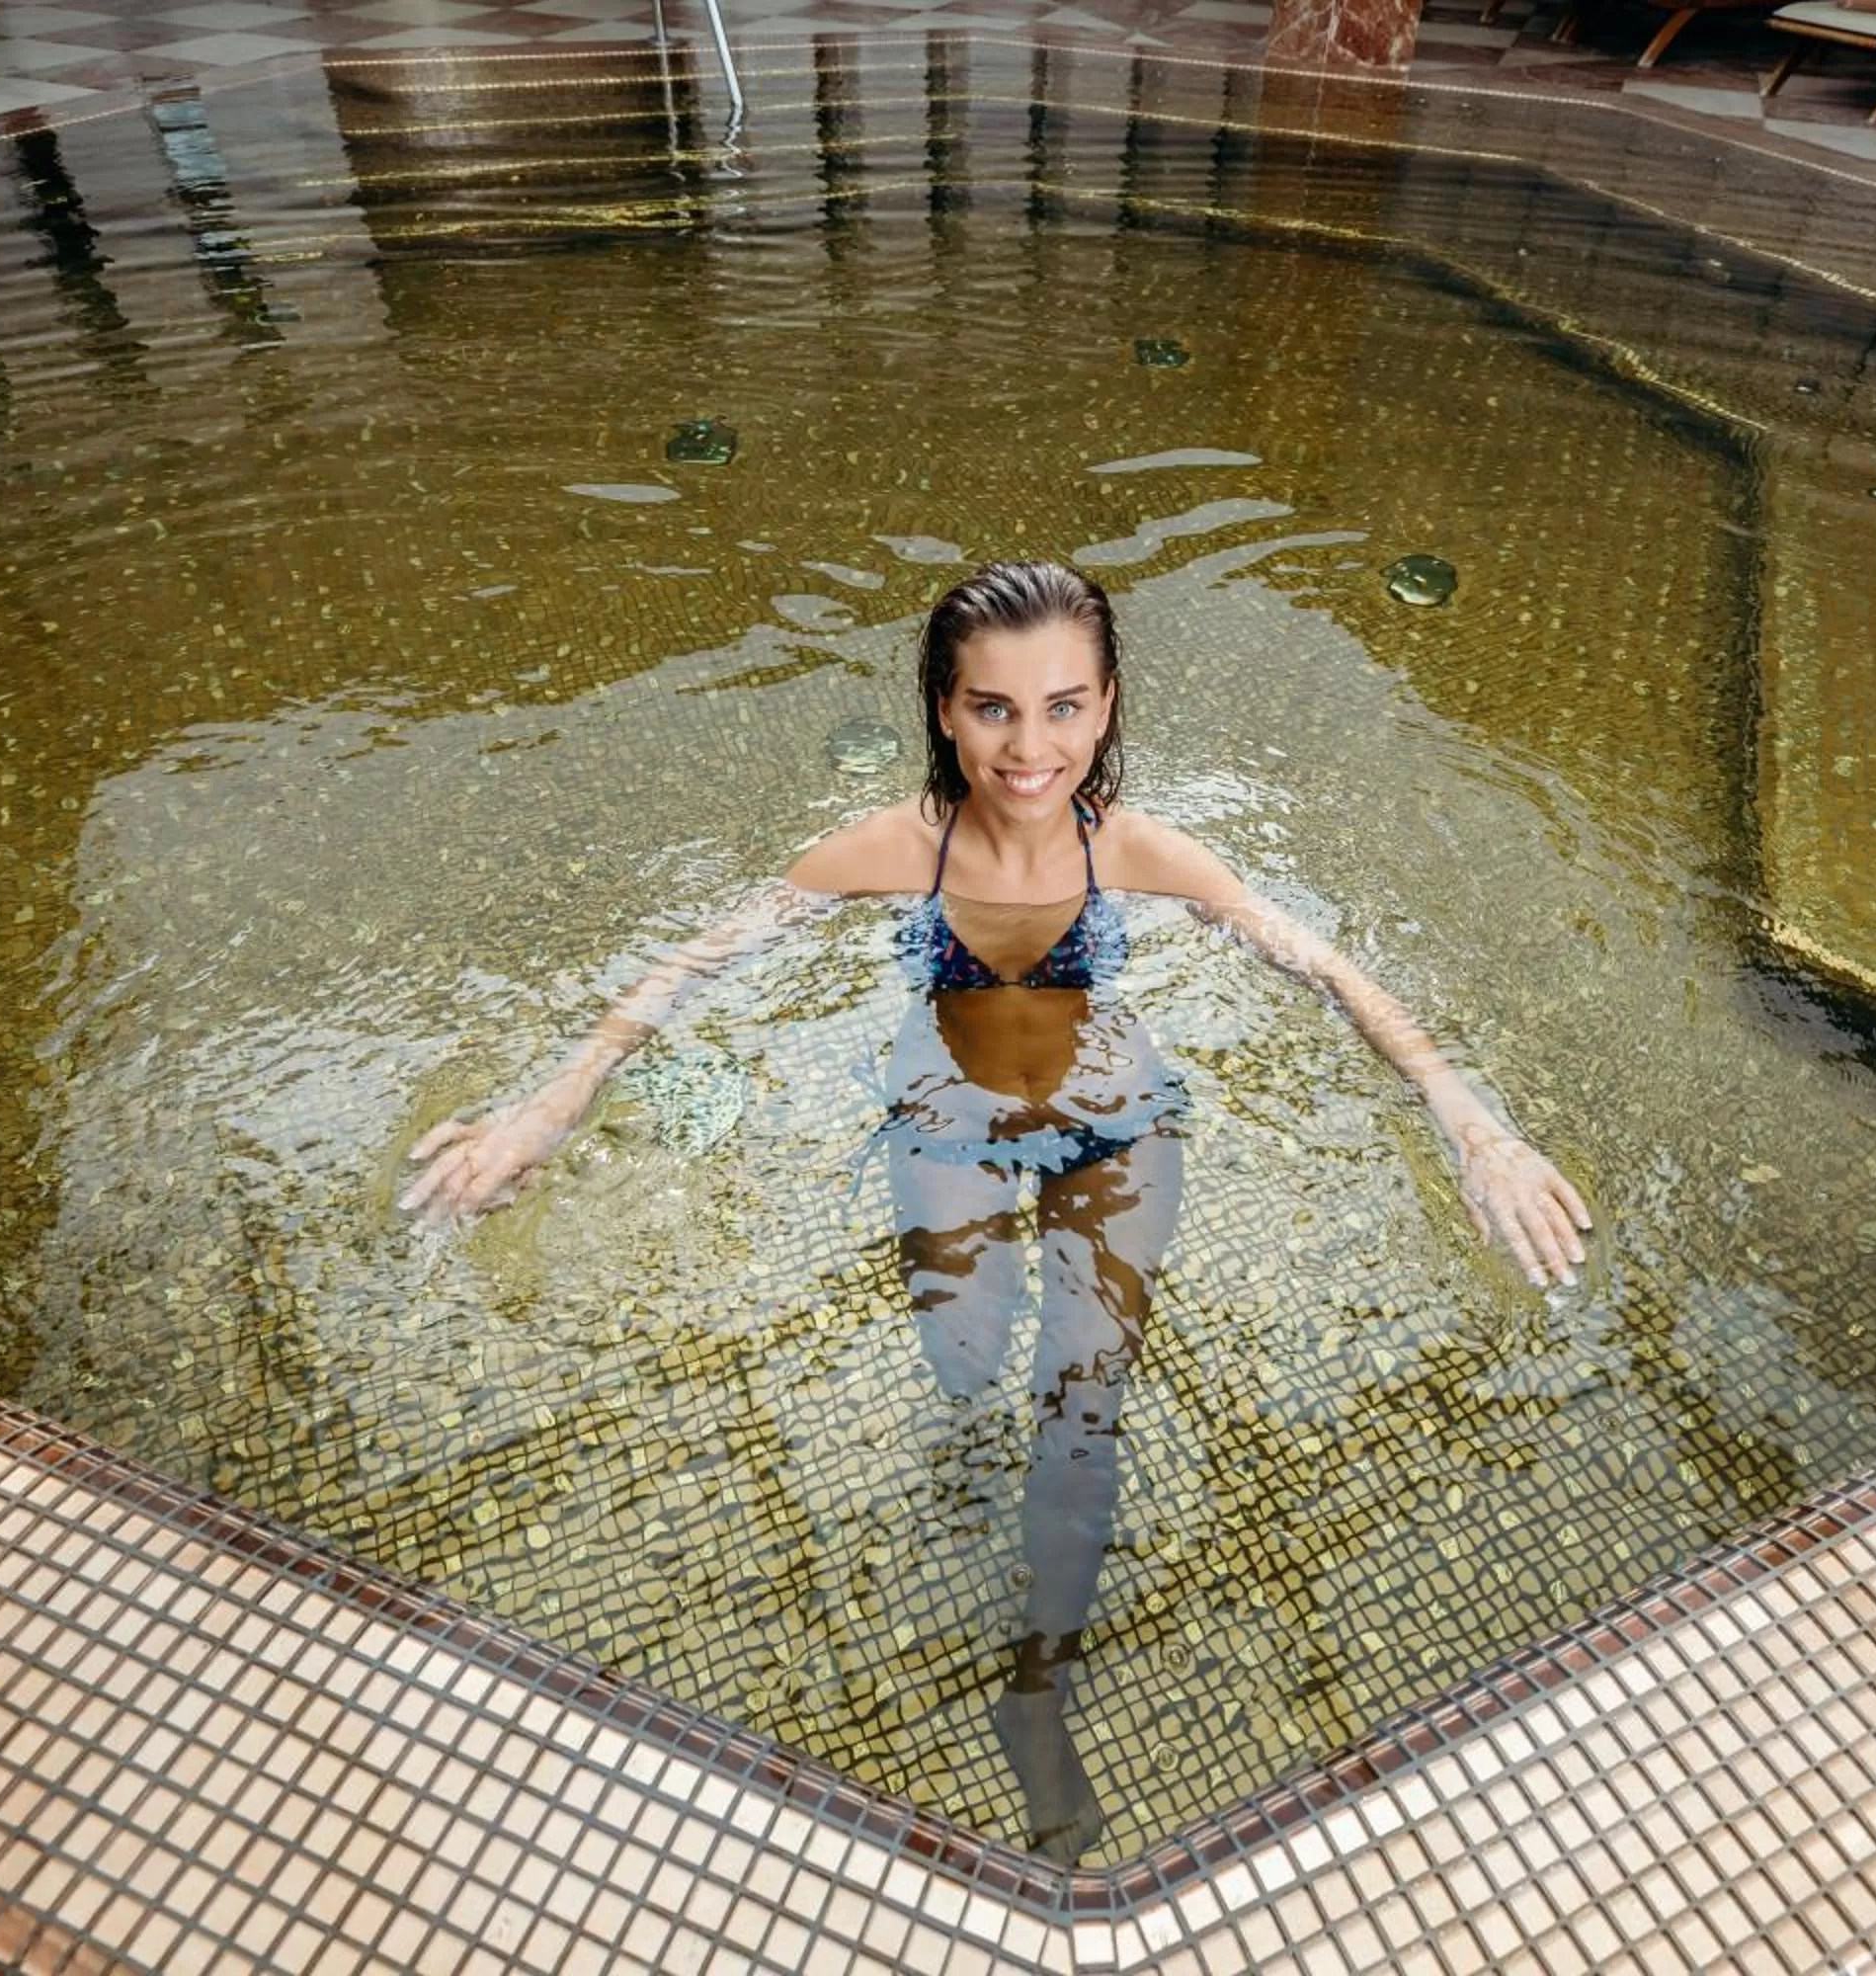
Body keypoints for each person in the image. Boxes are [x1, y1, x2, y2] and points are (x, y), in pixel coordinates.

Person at [402, 559, 1590, 1862]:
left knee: (1083, 1400)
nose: (1032, 750)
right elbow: (695, 961)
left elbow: (1331, 972)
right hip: (948, 1119)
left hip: (1117, 1126)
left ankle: (1041, 1692)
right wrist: (547, 1105)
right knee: (966, 1365)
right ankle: (977, 1460)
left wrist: (1480, 1129)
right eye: (994, 711)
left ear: (1108, 707)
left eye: (1065, 708)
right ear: (943, 708)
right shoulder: (889, 848)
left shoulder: (1138, 849)